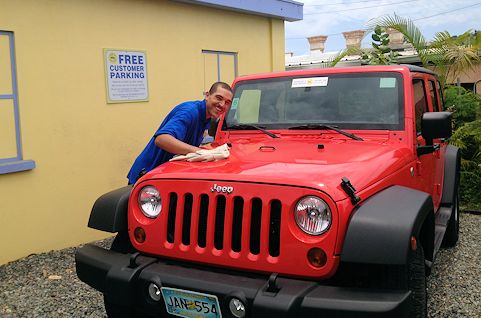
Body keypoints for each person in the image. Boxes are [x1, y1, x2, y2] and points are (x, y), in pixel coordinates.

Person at [127, 82, 233, 184]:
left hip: (165, 176)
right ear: (207, 95)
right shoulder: (189, 112)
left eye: (227, 102)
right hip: (147, 176)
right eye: (218, 98)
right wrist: (201, 152)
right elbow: (162, 139)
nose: (222, 105)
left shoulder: (207, 117)